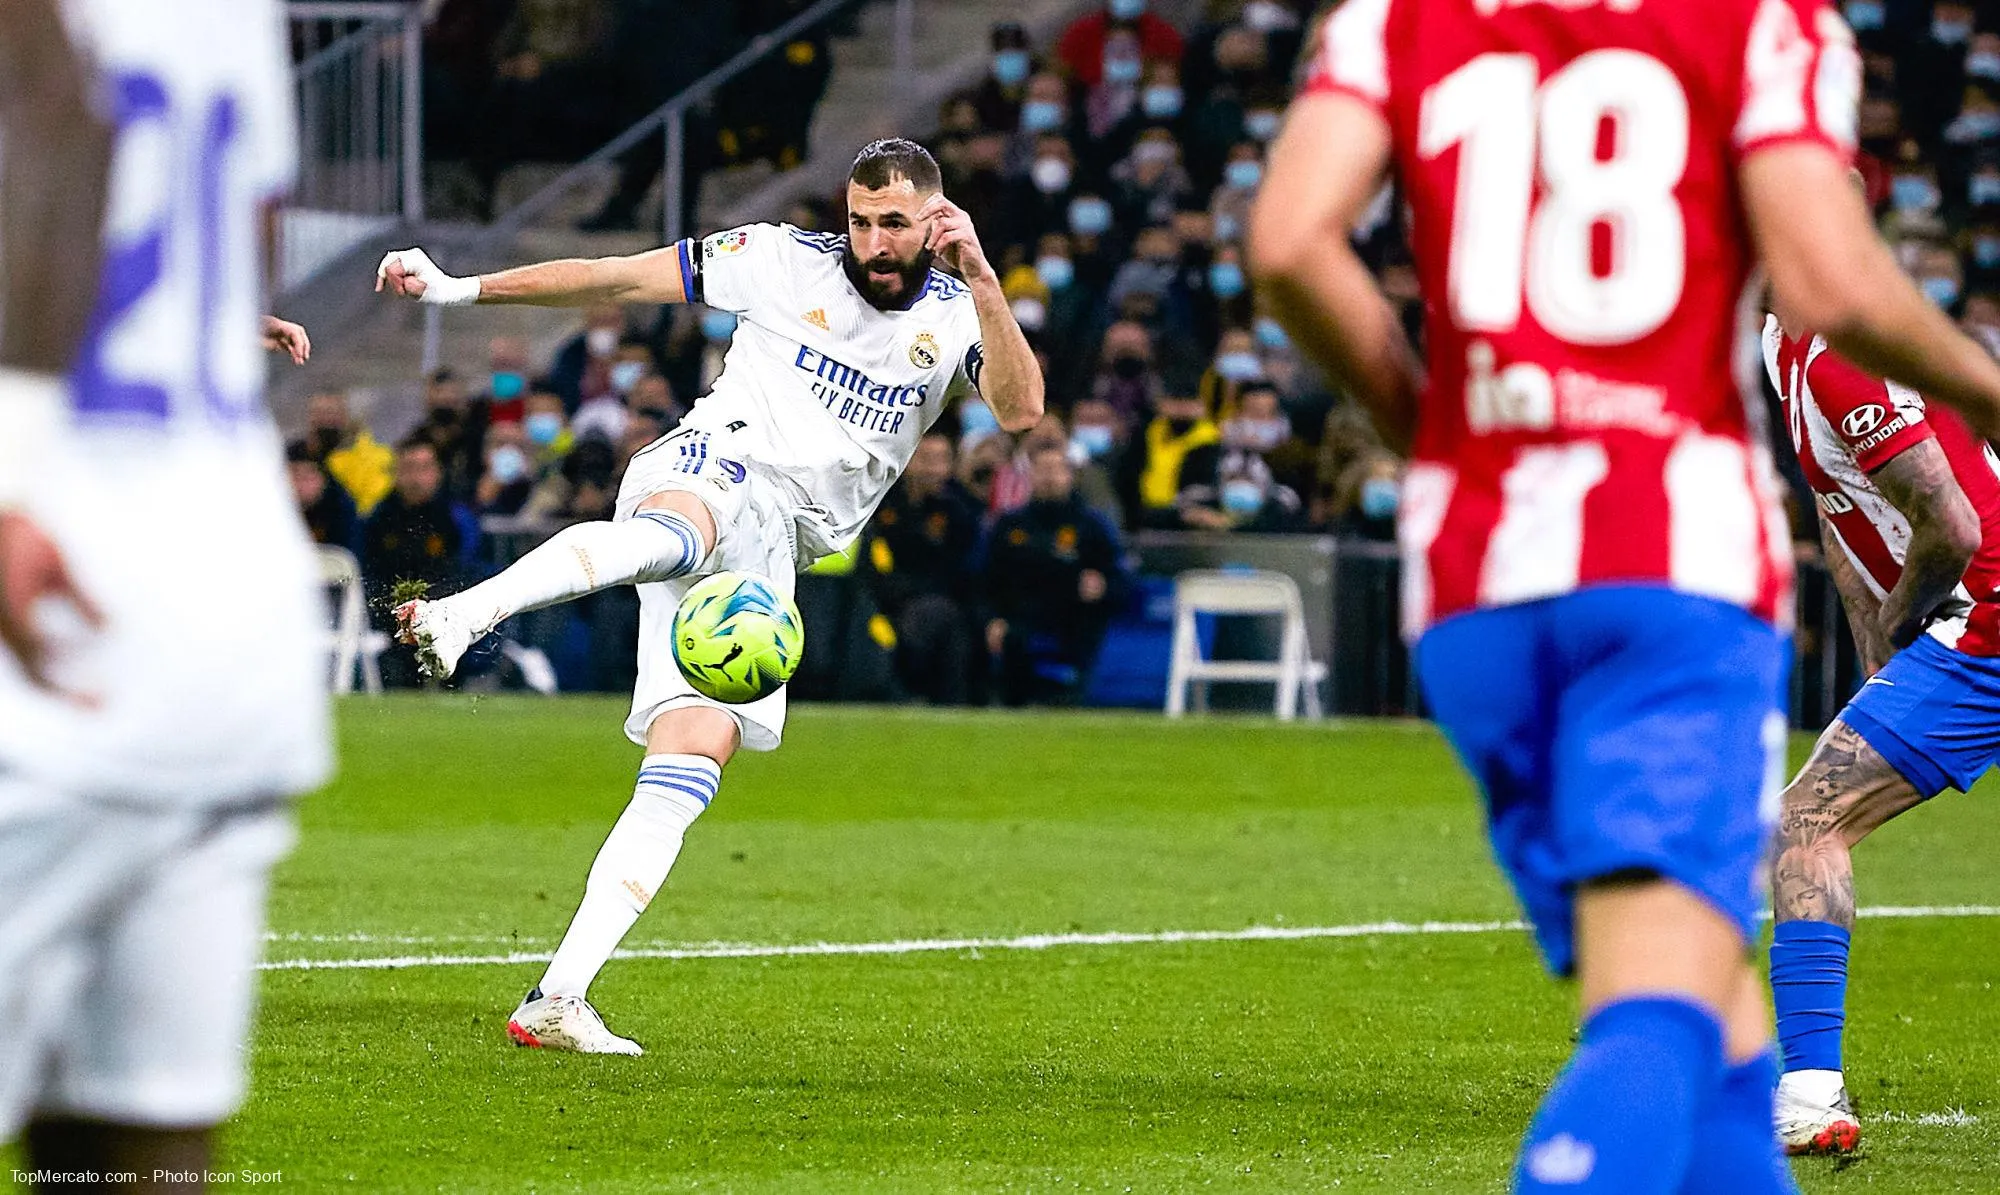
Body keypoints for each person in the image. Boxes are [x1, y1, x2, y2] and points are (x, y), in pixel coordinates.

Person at [1250, 2, 2000, 1193]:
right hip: (1666, 571)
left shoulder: (1389, 20)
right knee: (1656, 999)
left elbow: (1287, 245)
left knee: (1713, 1007)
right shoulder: (1759, 25)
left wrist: (1431, 429)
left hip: (1472, 584)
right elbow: (1829, 277)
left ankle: (1795, 1098)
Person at [375, 139, 1041, 1053]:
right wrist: (460, 289)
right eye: (859, 219)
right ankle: (466, 613)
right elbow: (614, 278)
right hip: (713, 461)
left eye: (894, 223)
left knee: (688, 767)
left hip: (775, 558)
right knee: (680, 533)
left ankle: (558, 996)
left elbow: (1021, 411)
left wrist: (987, 283)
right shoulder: (775, 261)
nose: (873, 241)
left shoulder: (960, 314)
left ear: (934, 220)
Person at [0, 0, 327, 1187]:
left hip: (39, 603)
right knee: (125, 1143)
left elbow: (44, 105)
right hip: (215, 610)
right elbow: (240, 216)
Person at [1761, 308, 2000, 1155]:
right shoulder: (1785, 341)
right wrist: (1879, 654)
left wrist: (1903, 618)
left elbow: (1953, 524)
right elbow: (1841, 504)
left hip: (1988, 617)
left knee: (1806, 822)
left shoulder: (1838, 354)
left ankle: (1807, 1094)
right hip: (1975, 618)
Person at [983, 441, 1126, 705]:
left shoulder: (1092, 525)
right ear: (1030, 476)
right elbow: (985, 579)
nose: (1049, 477)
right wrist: (992, 618)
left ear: (1070, 475)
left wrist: (1103, 585)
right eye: (1042, 469)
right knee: (1009, 639)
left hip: (1073, 621)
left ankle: (1071, 699)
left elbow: (1123, 579)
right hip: (1020, 618)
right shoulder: (1009, 525)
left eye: (1056, 470)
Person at [862, 433, 983, 705]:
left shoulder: (960, 512)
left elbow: (963, 573)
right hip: (885, 603)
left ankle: (952, 704)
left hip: (942, 604)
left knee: (947, 619)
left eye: (942, 460)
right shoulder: (882, 506)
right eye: (926, 460)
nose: (934, 470)